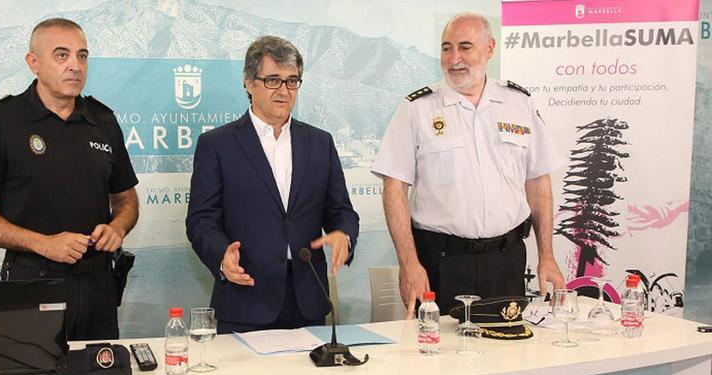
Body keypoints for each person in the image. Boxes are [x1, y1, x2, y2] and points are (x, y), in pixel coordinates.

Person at [0, 18, 139, 341]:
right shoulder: (2, 121)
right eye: (61, 55)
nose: (75, 66)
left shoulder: (103, 121)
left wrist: (118, 227)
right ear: (33, 63)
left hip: (98, 288)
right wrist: (43, 244)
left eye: (82, 56)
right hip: (32, 284)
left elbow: (126, 200)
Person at [371, 12, 565, 315]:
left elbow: (538, 181)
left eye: (465, 47)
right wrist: (409, 264)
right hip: (441, 263)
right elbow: (394, 187)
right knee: (440, 357)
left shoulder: (519, 103)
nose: (454, 58)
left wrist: (548, 256)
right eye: (447, 48)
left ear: (489, 48)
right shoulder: (417, 109)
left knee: (509, 357)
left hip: (506, 261)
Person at [186, 35, 359, 334]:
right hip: (246, 299)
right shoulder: (217, 145)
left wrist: (344, 234)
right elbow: (201, 221)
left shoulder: (320, 143)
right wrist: (221, 255)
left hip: (308, 303)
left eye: (292, 81)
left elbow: (341, 210)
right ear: (249, 83)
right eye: (273, 81)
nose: (284, 91)